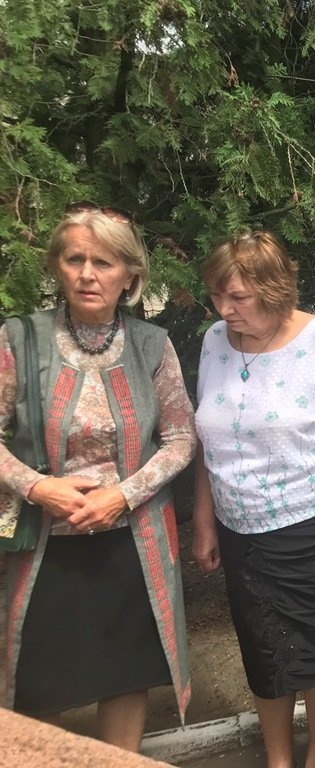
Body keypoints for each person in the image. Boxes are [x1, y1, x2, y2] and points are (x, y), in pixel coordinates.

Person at [0, 202, 196, 750]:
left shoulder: (152, 345)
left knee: (126, 675)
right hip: (46, 544)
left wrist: (122, 496)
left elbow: (181, 437)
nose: (88, 274)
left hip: (132, 544)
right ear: (56, 266)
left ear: (129, 275)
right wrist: (39, 487)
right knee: (37, 683)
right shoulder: (19, 341)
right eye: (75, 259)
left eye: (104, 263)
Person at [191, 230, 315, 768]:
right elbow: (209, 441)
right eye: (217, 295)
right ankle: (279, 759)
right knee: (263, 652)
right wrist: (205, 521)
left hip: (314, 528)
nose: (224, 309)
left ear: (274, 290)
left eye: (238, 297)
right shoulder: (214, 341)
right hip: (241, 532)